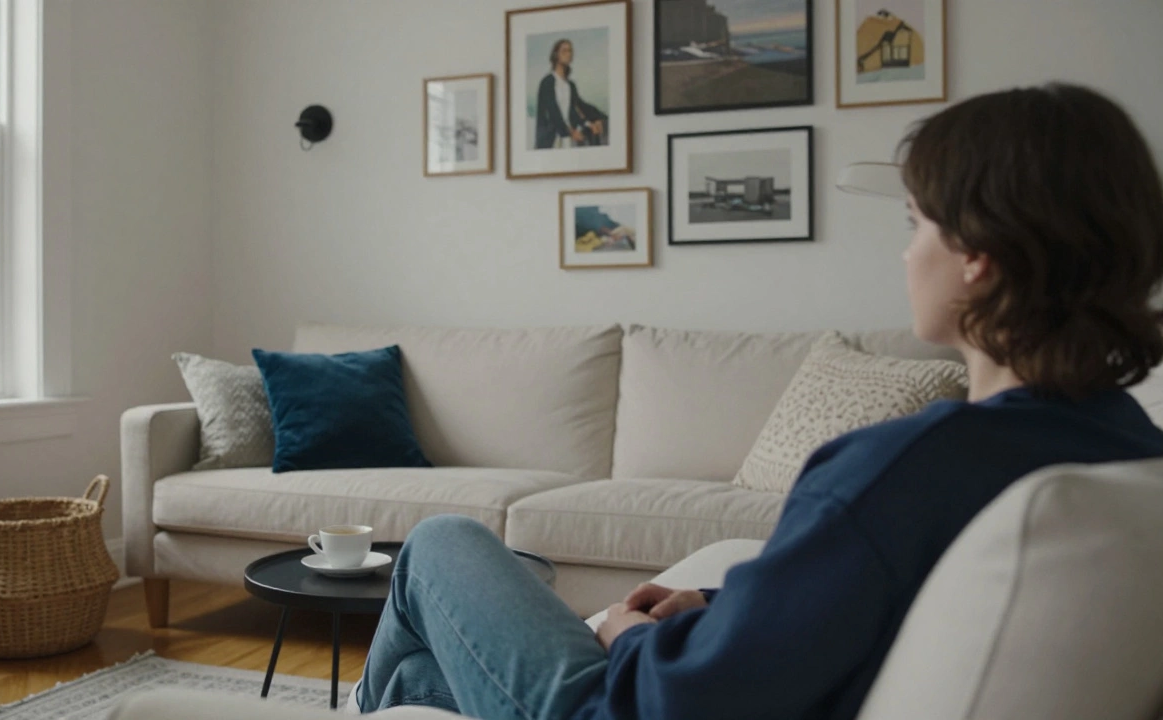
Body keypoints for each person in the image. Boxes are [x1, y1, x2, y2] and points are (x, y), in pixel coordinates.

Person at [353, 83, 1163, 720]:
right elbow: (883, 592)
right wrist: (712, 603)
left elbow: (680, 702)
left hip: (621, 710)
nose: (905, 249)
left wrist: (631, 638)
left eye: (917, 222)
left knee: (439, 544)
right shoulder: (1125, 447)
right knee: (429, 673)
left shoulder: (904, 467)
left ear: (978, 255)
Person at [535, 39, 608, 149]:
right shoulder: (547, 82)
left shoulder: (570, 85)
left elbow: (579, 106)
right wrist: (570, 132)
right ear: (556, 55)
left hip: (568, 138)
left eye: (570, 51)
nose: (569, 54)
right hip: (552, 138)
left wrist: (597, 119)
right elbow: (553, 112)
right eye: (564, 51)